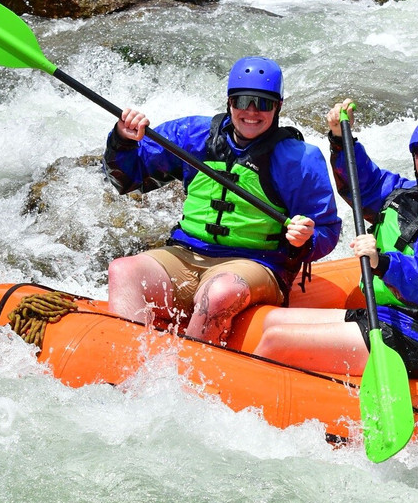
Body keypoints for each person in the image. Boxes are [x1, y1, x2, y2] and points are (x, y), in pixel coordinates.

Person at [254, 106, 418, 403]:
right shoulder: (409, 195)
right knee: (272, 324)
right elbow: (366, 183)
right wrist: (342, 139)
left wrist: (383, 261)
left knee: (277, 341)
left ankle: (254, 411)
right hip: (388, 318)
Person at [103, 56, 341, 343]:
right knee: (123, 270)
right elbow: (127, 178)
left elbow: (327, 229)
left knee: (219, 292)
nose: (252, 112)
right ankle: (126, 364)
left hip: (256, 263)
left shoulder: (300, 159)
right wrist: (123, 140)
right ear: (229, 102)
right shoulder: (192, 136)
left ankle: (188, 376)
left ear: (278, 106)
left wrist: (305, 240)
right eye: (243, 101)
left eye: (263, 103)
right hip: (186, 255)